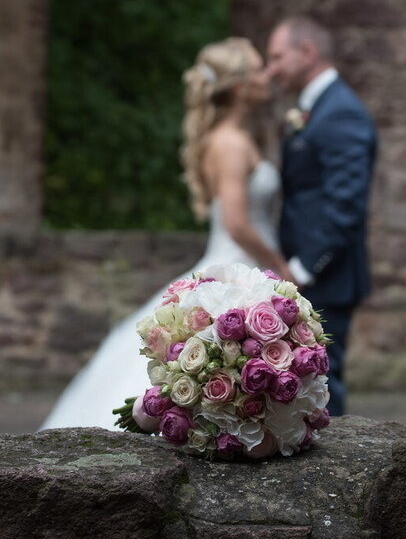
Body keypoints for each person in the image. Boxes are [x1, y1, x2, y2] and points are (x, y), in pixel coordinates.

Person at [40, 37, 292, 430]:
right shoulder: (229, 143)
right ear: (240, 86)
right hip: (238, 265)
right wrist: (279, 265)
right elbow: (237, 223)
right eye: (259, 69)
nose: (267, 77)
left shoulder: (240, 137)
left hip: (246, 263)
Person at [265, 16, 377, 417]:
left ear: (307, 52)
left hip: (326, 278)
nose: (271, 68)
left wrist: (304, 267)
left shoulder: (341, 113)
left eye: (277, 56)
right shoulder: (317, 108)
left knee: (325, 386)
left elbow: (345, 206)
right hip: (308, 277)